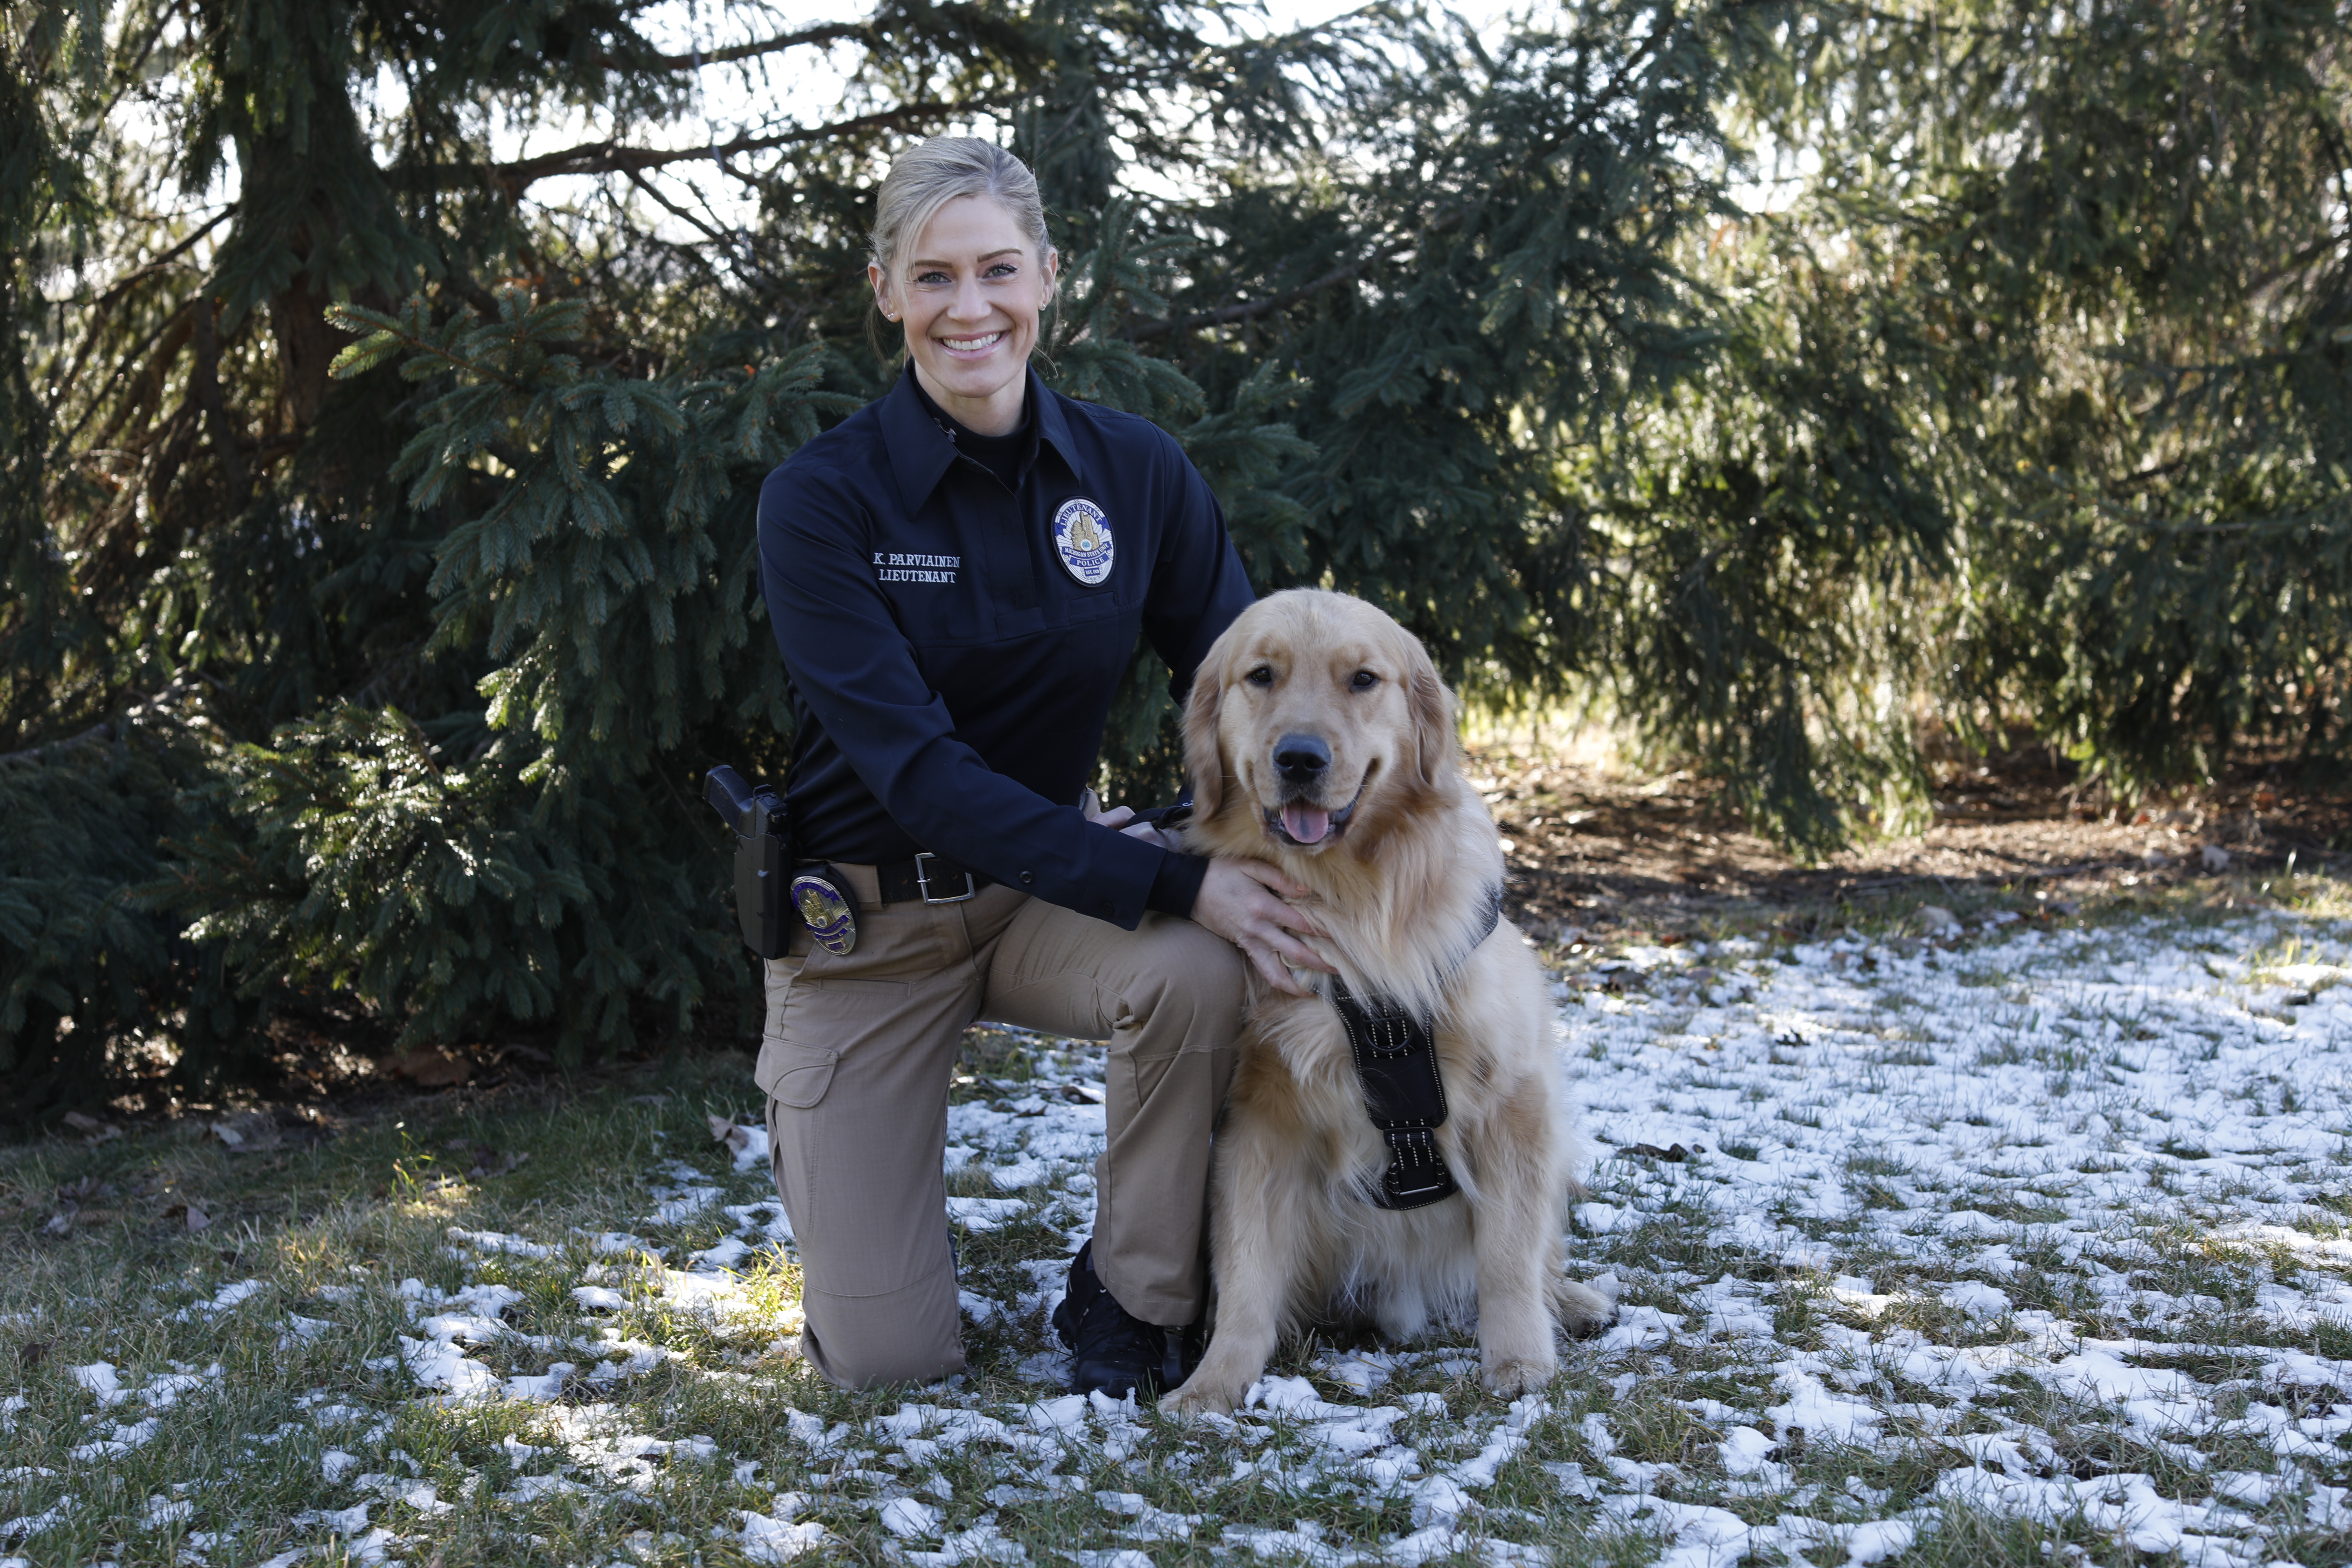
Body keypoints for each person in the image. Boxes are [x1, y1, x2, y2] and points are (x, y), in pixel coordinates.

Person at [753, 136, 1330, 1396]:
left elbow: (1241, 684)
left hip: (1037, 897)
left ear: (1049, 278)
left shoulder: (1135, 473)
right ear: (887, 290)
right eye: (936, 276)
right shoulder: (822, 502)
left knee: (1191, 971)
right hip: (866, 928)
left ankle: (1134, 1295)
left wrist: (1193, 836)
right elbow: (919, 774)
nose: (972, 309)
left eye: (999, 270)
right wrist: (1174, 879)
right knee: (890, 1365)